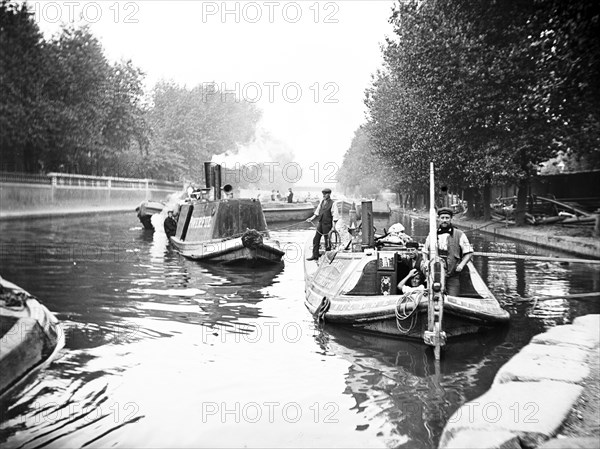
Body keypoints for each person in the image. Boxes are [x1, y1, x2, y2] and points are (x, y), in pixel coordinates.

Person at [421, 207, 473, 296]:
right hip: (435, 275)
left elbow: (469, 252)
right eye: (442, 218)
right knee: (433, 297)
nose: (444, 220)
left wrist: (461, 265)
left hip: (453, 275)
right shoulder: (432, 234)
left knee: (453, 298)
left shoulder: (460, 234)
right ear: (438, 219)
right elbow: (425, 251)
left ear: (451, 219)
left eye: (447, 218)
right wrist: (425, 261)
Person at [306, 187, 340, 261]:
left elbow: (335, 215)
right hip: (320, 223)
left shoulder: (333, 203)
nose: (324, 195)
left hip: (327, 224)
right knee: (316, 239)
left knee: (327, 240)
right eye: (323, 194)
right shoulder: (321, 202)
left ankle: (328, 256)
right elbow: (317, 212)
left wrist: (334, 227)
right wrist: (311, 218)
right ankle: (315, 255)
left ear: (329, 194)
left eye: (325, 194)